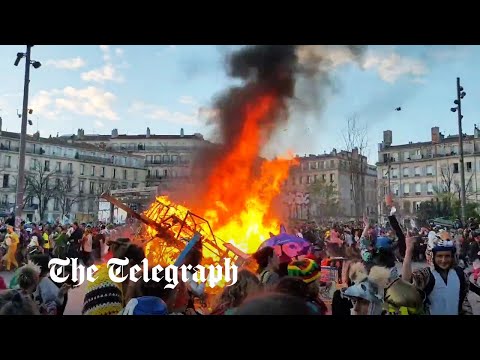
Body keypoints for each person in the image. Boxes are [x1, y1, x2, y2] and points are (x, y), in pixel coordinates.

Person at [402, 229, 480, 315]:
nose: (443, 260)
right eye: (439, 256)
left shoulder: (459, 274)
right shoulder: (426, 275)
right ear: (432, 256)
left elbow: (465, 299)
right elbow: (406, 282)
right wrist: (408, 251)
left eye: (447, 256)